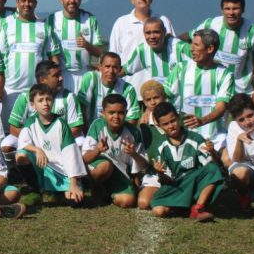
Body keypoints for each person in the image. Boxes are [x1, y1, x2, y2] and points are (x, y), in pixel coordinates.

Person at [192, 0, 254, 109]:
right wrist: (169, 38)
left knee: (247, 126)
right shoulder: (210, 24)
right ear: (222, 10)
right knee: (213, 126)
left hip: (243, 93)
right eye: (227, 8)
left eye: (235, 8)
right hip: (215, 89)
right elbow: (190, 37)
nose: (231, 13)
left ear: (243, 10)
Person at [148, 102, 224, 222]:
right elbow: (166, 179)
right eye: (165, 124)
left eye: (173, 121)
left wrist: (213, 151)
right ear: (159, 125)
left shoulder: (196, 138)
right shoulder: (161, 146)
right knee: (159, 211)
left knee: (213, 168)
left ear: (178, 118)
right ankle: (183, 206)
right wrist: (160, 173)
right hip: (175, 186)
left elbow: (212, 166)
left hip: (194, 183)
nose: (171, 126)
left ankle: (198, 208)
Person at [0, 0, 62, 125]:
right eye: (23, 0)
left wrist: (54, 84)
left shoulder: (44, 27)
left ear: (36, 3)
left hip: (37, 89)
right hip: (11, 89)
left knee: (36, 128)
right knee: (10, 130)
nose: (27, 4)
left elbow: (54, 59)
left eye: (30, 1)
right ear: (17, 3)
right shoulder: (7, 26)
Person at [15, 84, 86, 206]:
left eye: (48, 99)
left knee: (76, 201)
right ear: (32, 104)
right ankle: (35, 190)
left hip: (61, 170)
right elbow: (23, 142)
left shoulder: (61, 124)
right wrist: (37, 150)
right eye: (40, 100)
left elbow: (71, 154)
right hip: (42, 167)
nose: (45, 103)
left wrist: (73, 183)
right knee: (21, 155)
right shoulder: (31, 122)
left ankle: (59, 192)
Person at [165, 29, 234, 151]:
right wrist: (148, 110)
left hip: (215, 137)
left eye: (196, 45)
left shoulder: (225, 74)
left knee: (228, 161)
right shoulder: (181, 68)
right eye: (191, 44)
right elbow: (165, 94)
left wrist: (202, 121)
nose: (191, 49)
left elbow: (221, 108)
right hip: (184, 136)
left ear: (210, 49)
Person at [109, 0, 176, 97]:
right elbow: (114, 54)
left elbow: (173, 50)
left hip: (160, 90)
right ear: (132, 0)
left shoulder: (163, 20)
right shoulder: (121, 23)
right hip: (130, 87)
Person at [81, 94, 145, 208]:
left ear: (126, 113)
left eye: (120, 112)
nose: (116, 116)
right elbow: (84, 159)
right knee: (105, 167)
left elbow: (142, 165)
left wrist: (134, 154)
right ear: (103, 113)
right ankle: (96, 188)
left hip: (120, 171)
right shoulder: (97, 125)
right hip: (101, 167)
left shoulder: (134, 132)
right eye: (111, 113)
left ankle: (108, 193)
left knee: (127, 201)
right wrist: (97, 150)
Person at [6, 60, 84, 148]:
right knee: (7, 145)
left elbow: (76, 128)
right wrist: (38, 142)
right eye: (56, 75)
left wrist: (53, 142)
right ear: (42, 79)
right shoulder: (25, 97)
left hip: (62, 142)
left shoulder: (69, 97)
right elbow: (13, 128)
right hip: (33, 142)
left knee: (81, 142)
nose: (61, 78)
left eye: (60, 74)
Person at [46, 0, 104, 93]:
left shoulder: (90, 19)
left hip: (85, 74)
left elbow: (100, 52)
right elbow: (48, 51)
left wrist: (86, 45)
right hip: (62, 75)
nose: (72, 1)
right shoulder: (52, 19)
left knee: (86, 109)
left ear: (80, 0)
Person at [122, 17, 190, 95]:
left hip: (181, 103)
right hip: (159, 103)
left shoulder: (180, 47)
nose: (152, 37)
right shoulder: (142, 50)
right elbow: (124, 70)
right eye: (148, 33)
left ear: (164, 32)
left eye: (156, 32)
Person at [77, 52, 141, 127]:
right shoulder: (90, 79)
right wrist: (88, 135)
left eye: (115, 67)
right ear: (100, 67)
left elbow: (132, 119)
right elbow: (81, 108)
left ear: (120, 69)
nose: (111, 71)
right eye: (107, 66)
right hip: (90, 131)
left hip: (118, 133)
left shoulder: (128, 89)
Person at [136, 80, 169, 211]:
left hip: (177, 171)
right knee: (143, 203)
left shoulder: (177, 118)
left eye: (156, 98)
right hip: (155, 173)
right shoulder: (143, 125)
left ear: (164, 97)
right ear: (144, 102)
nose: (153, 102)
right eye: (148, 99)